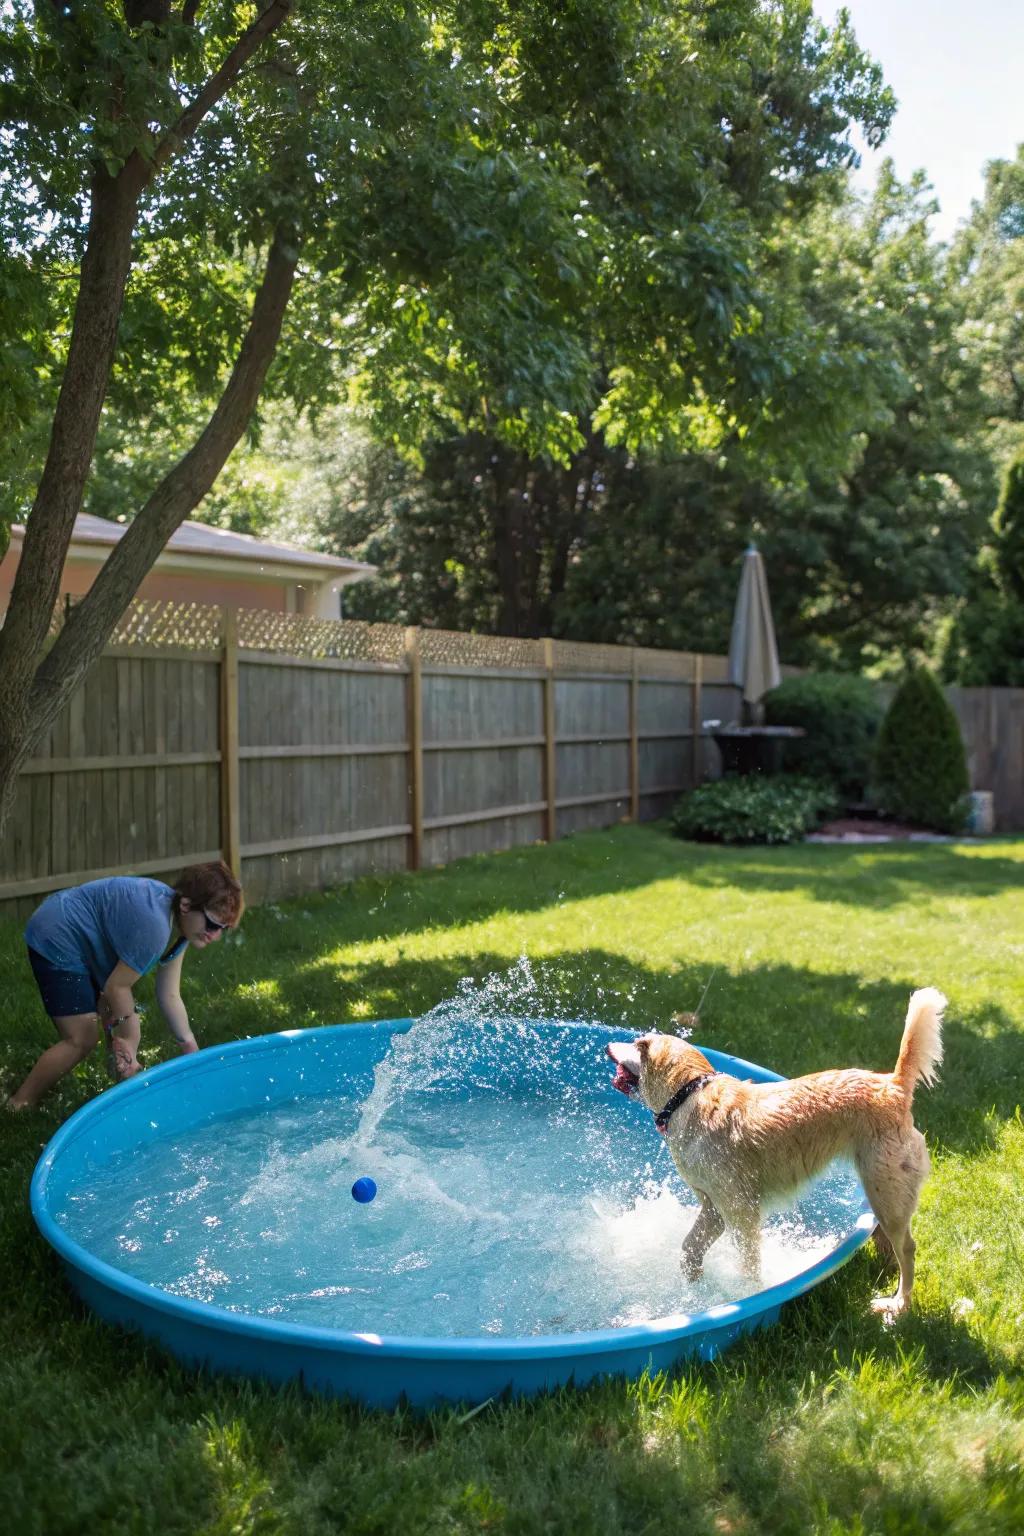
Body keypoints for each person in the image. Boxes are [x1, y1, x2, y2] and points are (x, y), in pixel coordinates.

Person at [7, 861, 243, 1110]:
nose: (215, 935)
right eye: (212, 924)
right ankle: (19, 1103)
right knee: (82, 1037)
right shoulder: (156, 927)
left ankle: (119, 1091)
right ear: (186, 906)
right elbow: (116, 988)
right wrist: (131, 1036)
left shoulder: (179, 928)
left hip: (79, 932)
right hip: (58, 932)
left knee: (113, 1014)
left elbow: (169, 994)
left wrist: (190, 1049)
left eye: (223, 929)